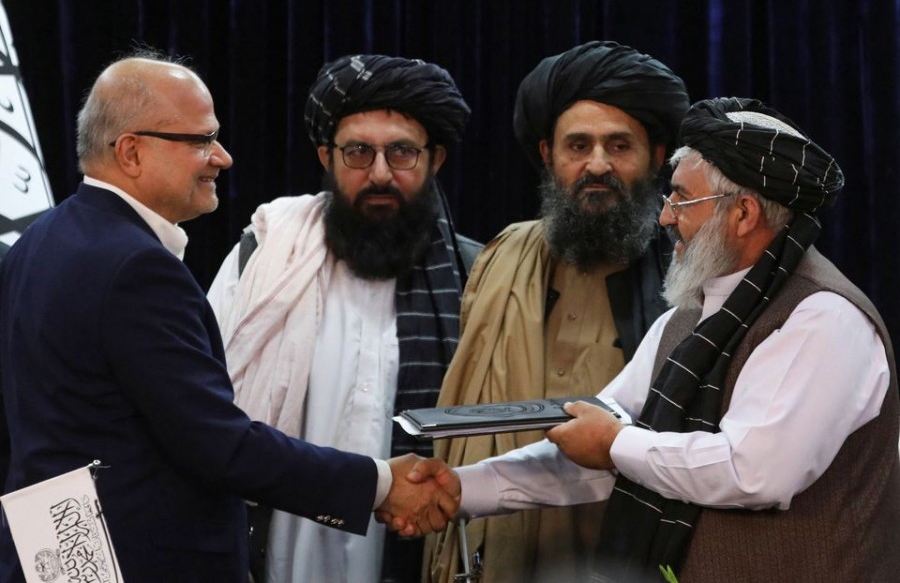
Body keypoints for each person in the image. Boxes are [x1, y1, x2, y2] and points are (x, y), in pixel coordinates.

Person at [0, 51, 457, 583]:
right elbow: (218, 446)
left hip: (52, 558)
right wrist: (378, 483)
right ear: (130, 151)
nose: (222, 157)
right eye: (199, 140)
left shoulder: (38, 242)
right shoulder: (136, 267)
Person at [404, 97, 900, 582]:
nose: (666, 217)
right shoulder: (684, 321)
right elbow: (597, 447)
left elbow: (752, 473)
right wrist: (463, 488)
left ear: (744, 213)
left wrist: (616, 444)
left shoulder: (823, 318)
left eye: (683, 198)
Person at [206, 54, 480, 583]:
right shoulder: (263, 257)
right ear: (326, 157)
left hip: (413, 556)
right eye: (358, 152)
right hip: (278, 553)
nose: (380, 173)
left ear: (435, 160)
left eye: (401, 152)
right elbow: (208, 408)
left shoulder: (476, 275)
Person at [426, 41, 690, 582]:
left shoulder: (691, 280)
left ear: (657, 157)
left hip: (625, 552)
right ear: (547, 154)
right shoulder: (505, 257)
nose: (598, 164)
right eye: (579, 145)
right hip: (500, 543)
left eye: (620, 145)